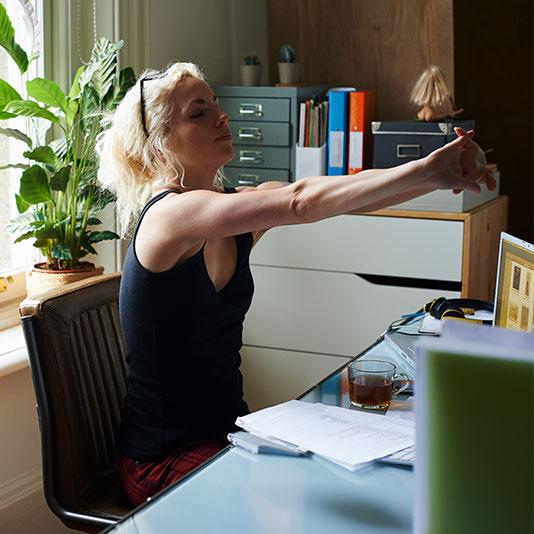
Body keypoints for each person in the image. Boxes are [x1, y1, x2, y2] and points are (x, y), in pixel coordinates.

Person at [96, 62, 495, 506]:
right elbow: (299, 202)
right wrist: (427, 170)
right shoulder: (169, 216)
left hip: (229, 437)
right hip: (163, 461)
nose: (221, 117)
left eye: (216, 106)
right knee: (317, 504)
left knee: (353, 490)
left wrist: (439, 175)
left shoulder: (231, 210)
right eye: (199, 113)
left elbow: (344, 191)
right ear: (160, 144)